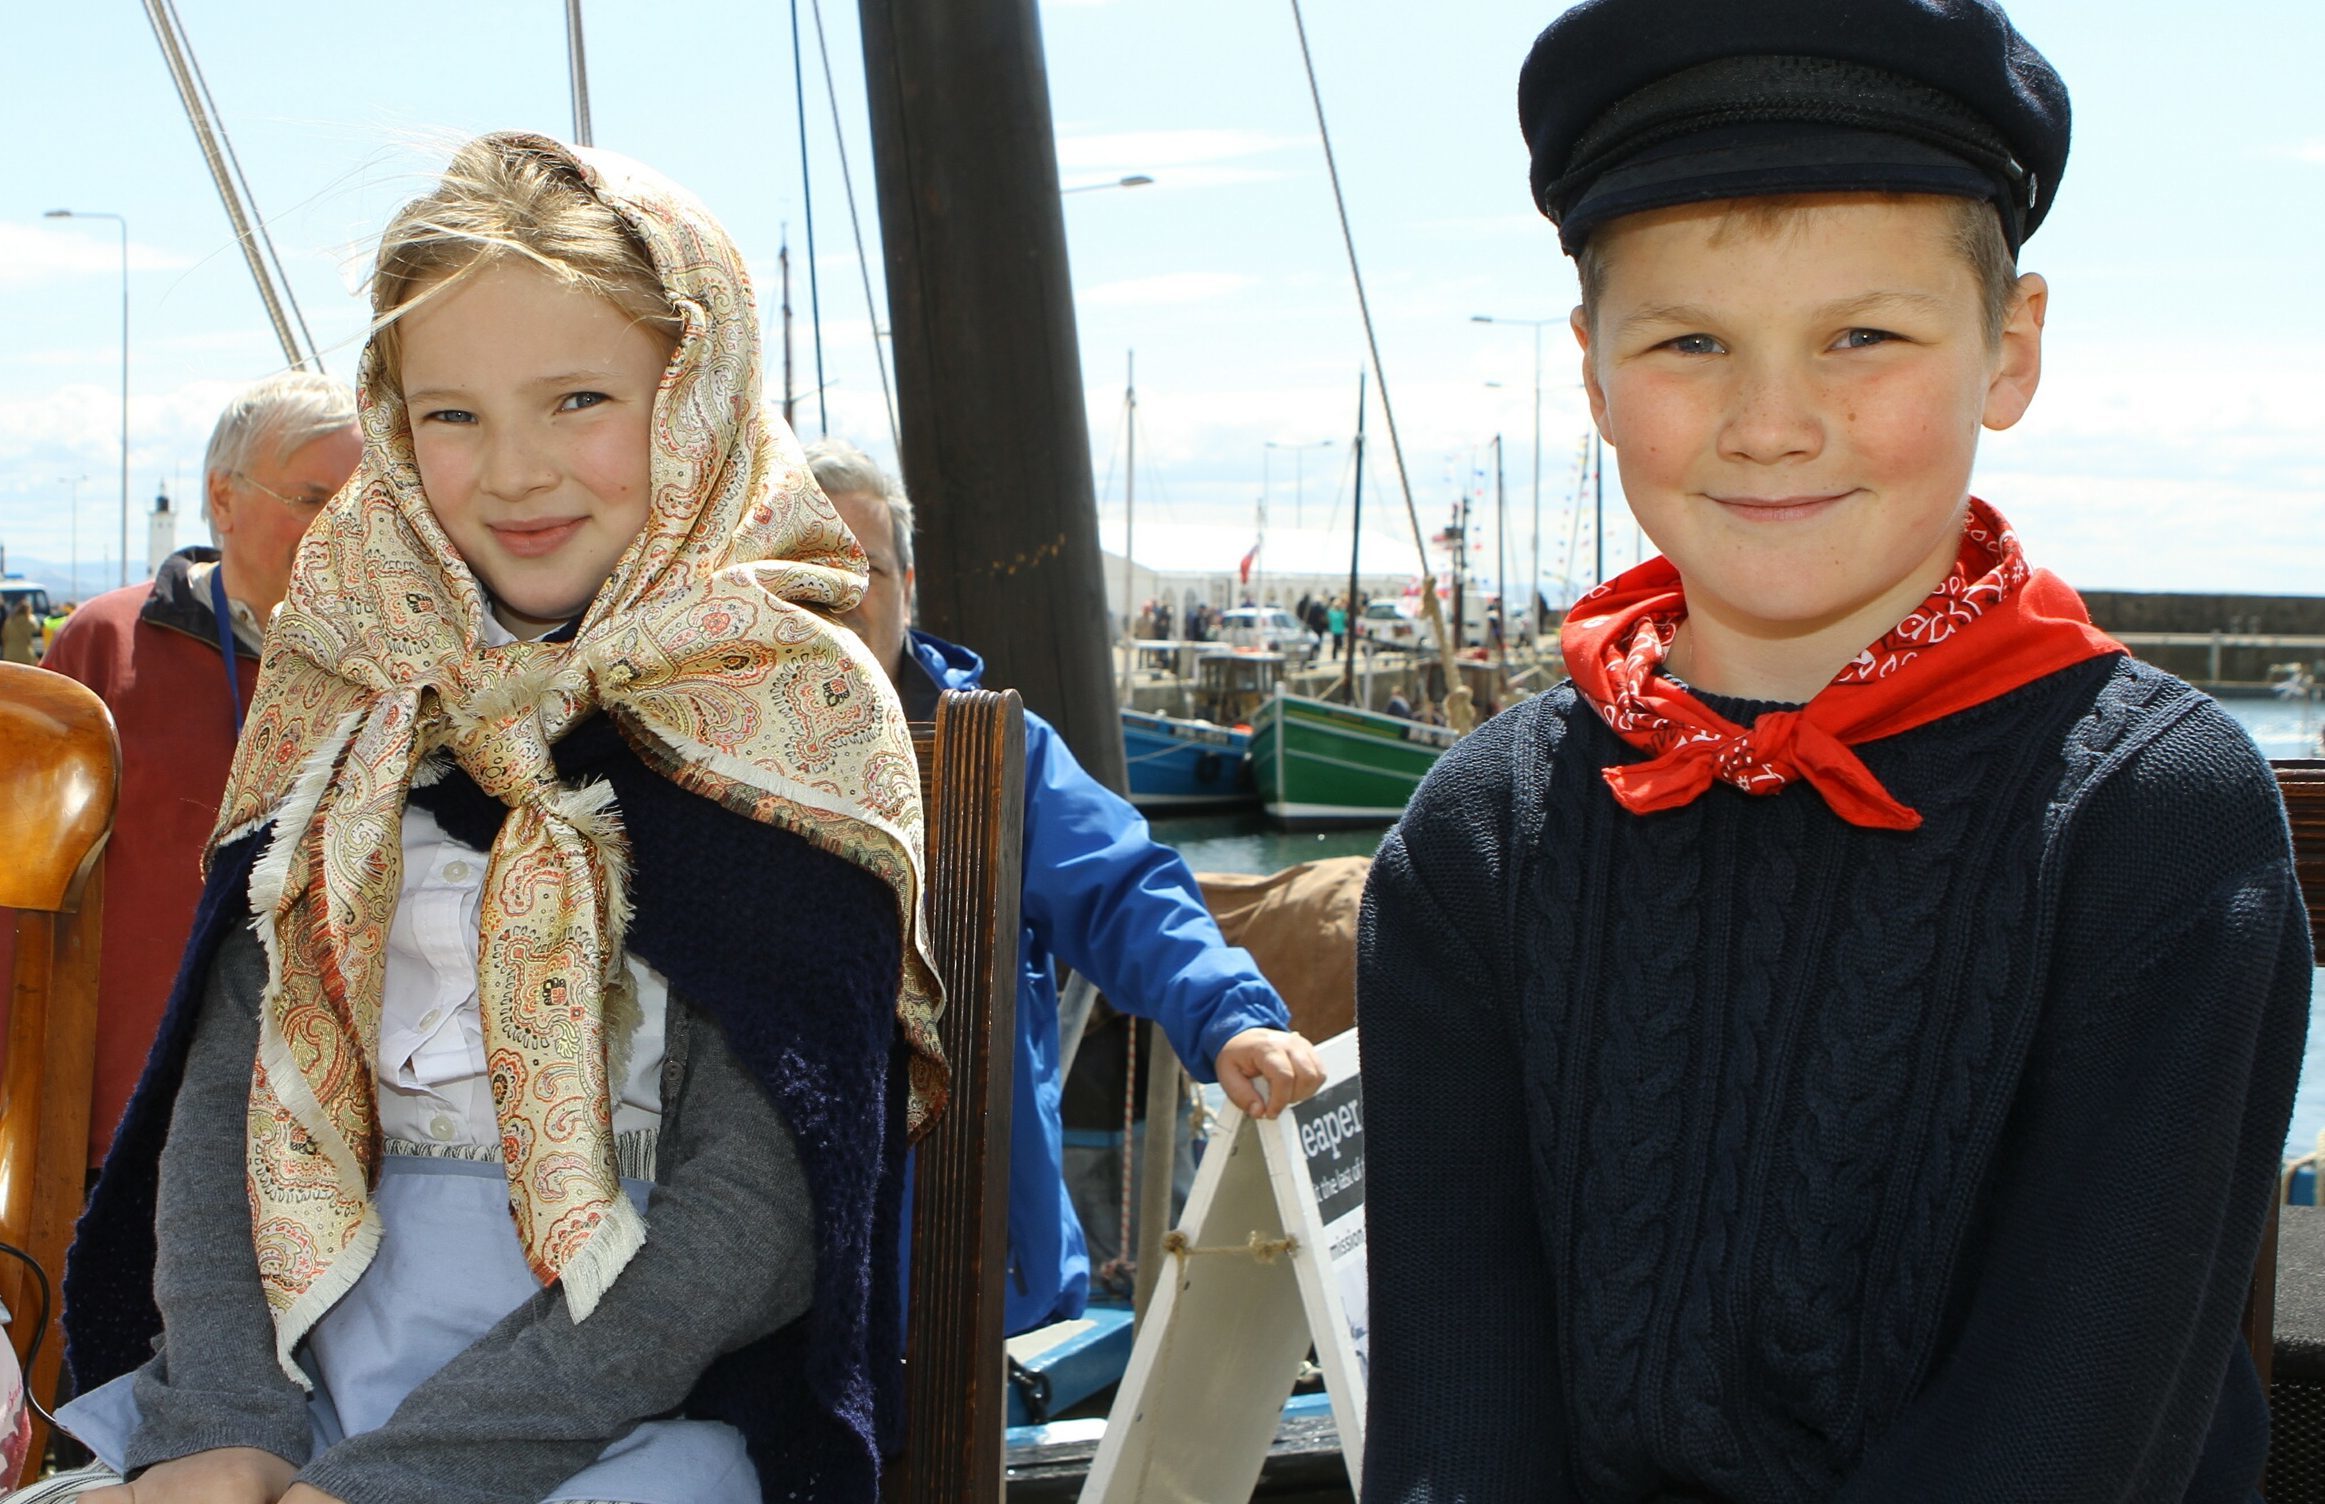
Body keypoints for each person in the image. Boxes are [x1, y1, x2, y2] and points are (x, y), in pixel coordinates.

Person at [1360, 3, 2309, 1500]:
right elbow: (1453, 1407)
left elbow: (2070, 1428)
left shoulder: (2153, 821)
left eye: (1862, 336)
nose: (1772, 422)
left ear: (2010, 349)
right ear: (1594, 372)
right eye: (1690, 342)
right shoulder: (1482, 836)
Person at [43, 133, 939, 1504]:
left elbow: (754, 1223)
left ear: (697, 397)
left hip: (631, 1413)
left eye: (578, 397)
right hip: (296, 1371)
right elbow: (232, 1086)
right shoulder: (355, 691)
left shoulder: (785, 711)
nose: (512, 472)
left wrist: (397, 1480)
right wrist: (224, 1420)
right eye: (450, 414)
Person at [804, 437, 1327, 1337]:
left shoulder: (1001, 757)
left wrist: (1231, 1016)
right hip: (773, 1263)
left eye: (871, 573)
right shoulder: (688, 749)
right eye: (808, 573)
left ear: (910, 581)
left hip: (964, 1258)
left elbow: (1125, 888)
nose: (845, 601)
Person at [2, 371, 359, 1172]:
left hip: (323, 1146)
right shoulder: (105, 649)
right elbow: (17, 902)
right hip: (120, 1128)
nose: (341, 527)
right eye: (310, 496)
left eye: (363, 502)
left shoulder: (407, 671)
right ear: (223, 499)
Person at [1, 598, 35, 663]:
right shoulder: (29, 622)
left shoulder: (9, 621)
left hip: (10, 654)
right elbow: (35, 628)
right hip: (25, 654)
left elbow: (4, 637)